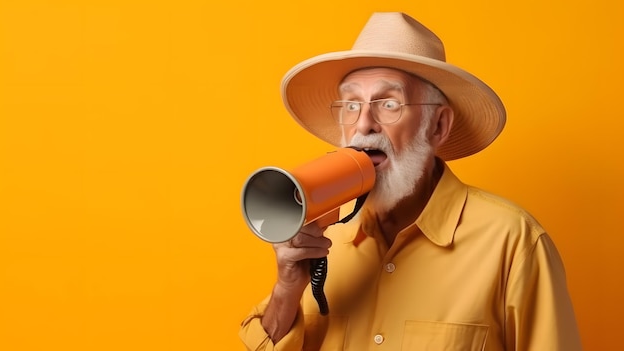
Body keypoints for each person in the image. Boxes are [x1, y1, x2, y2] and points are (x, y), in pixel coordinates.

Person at [239, 12, 582, 350]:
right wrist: (287, 289)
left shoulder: (513, 242)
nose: (363, 125)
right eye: (351, 105)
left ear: (437, 126)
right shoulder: (320, 236)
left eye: (389, 103)